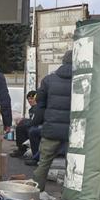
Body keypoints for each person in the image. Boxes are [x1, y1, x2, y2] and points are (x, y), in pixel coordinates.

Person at [30, 50, 73, 190]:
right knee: (73, 165)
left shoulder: (48, 80)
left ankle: (37, 193)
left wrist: (35, 123)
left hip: (51, 129)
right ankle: (68, 197)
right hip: (74, 131)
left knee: (44, 163)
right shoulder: (83, 79)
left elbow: (40, 105)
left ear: (63, 61)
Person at [10, 90, 38, 158]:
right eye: (28, 99)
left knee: (21, 127)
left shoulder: (38, 108)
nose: (30, 101)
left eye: (31, 98)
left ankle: (22, 149)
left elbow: (36, 120)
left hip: (38, 126)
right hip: (36, 125)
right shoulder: (32, 109)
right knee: (22, 124)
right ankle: (21, 148)